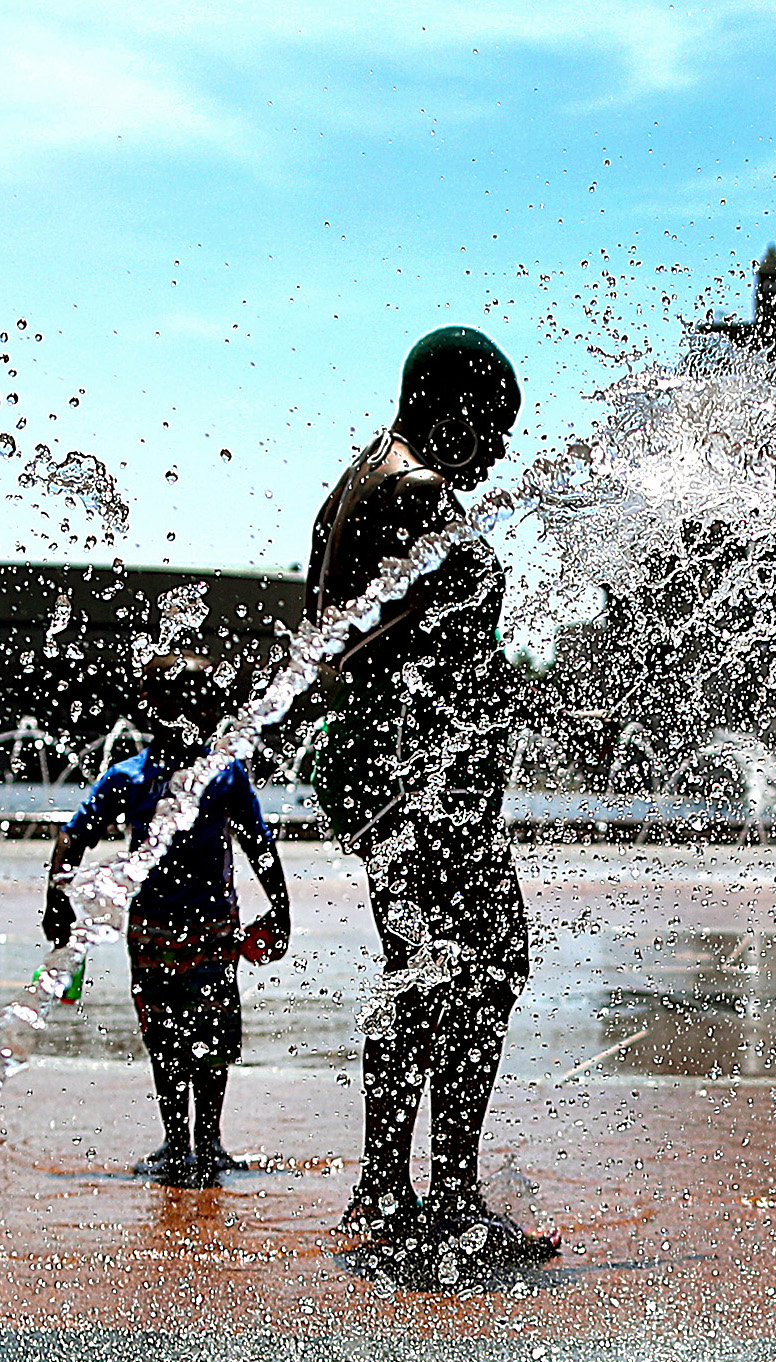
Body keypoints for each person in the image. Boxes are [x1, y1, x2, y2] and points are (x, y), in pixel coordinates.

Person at [304, 325, 554, 1264]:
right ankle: (447, 1197)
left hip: (384, 774)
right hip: (420, 778)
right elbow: (412, 656)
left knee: (421, 975)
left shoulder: (360, 479)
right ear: (451, 401)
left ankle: (384, 1186)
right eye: (495, 425)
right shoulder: (416, 493)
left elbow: (379, 644)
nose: (501, 451)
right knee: (486, 969)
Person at [43, 652, 292, 1188]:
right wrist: (57, 897)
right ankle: (179, 1140)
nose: (194, 705)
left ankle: (208, 1139)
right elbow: (74, 835)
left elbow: (260, 844)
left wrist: (281, 906)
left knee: (214, 1035)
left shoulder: (225, 775)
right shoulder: (130, 776)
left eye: (203, 697)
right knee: (164, 1036)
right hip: (153, 931)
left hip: (213, 929)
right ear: (151, 708)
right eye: (180, 695)